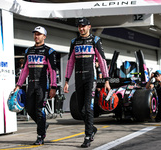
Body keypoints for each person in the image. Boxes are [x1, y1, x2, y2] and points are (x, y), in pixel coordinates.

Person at [63, 17, 111, 148]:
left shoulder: (95, 40)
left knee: (88, 109)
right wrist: (66, 80)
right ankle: (92, 128)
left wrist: (106, 80)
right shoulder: (74, 42)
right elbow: (70, 62)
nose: (81, 28)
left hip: (91, 78)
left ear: (89, 27)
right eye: (79, 26)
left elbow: (102, 61)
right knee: (80, 110)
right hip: (78, 78)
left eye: (83, 26)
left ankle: (88, 136)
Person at [14, 26, 57, 145]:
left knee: (39, 110)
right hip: (31, 84)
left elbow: (53, 71)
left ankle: (40, 136)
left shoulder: (49, 51)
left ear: (44, 36)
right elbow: (25, 71)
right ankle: (43, 124)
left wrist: (53, 87)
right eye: (35, 34)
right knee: (28, 108)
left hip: (43, 85)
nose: (36, 36)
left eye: (39, 34)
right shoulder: (28, 51)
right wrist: (18, 85)